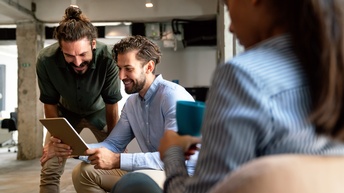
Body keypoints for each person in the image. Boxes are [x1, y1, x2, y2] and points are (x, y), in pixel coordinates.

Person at [111, 0, 344, 193]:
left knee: (133, 185)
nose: (230, 28)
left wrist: (172, 152)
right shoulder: (332, 67)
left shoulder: (242, 75)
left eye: (228, 5)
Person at [50, 35, 197, 193]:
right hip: (154, 172)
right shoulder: (132, 103)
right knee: (83, 173)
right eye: (119, 68)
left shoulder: (172, 97)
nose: (121, 76)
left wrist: (118, 160)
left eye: (128, 69)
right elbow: (113, 144)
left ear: (149, 67)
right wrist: (72, 149)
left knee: (135, 180)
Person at [36, 5, 122, 193]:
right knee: (49, 166)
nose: (77, 62)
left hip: (100, 113)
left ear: (93, 44)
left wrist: (114, 144)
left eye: (83, 54)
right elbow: (49, 103)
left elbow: (111, 104)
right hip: (64, 115)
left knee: (117, 162)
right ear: (60, 48)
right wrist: (55, 142)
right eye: (69, 55)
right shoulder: (45, 60)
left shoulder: (108, 58)